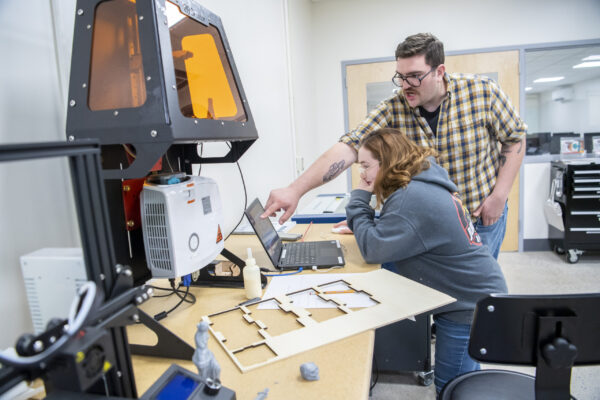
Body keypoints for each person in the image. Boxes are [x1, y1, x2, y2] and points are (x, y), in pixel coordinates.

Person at [262, 32, 526, 259]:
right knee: (421, 294)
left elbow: (515, 137)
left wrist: (499, 196)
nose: (405, 86)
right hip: (421, 224)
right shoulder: (394, 108)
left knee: (470, 301)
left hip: (478, 217)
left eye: (414, 76)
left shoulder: (483, 92)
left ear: (440, 72)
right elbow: (350, 146)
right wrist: (295, 190)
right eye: (400, 77)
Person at [346, 128, 508, 393]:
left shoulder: (410, 197)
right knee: (466, 380)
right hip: (474, 293)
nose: (362, 175)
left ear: (387, 162)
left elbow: (372, 249)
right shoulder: (421, 183)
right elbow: (406, 226)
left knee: (451, 387)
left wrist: (359, 200)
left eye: (365, 166)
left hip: (467, 305)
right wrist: (373, 223)